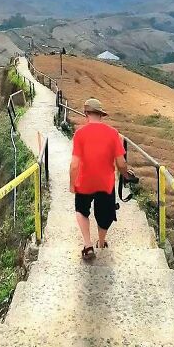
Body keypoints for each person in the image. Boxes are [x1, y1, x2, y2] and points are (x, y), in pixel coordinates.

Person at [69, 97, 132, 261]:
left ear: (86, 113)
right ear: (101, 115)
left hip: (85, 181)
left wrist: (72, 184)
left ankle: (88, 245)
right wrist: (126, 175)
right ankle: (102, 242)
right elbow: (121, 163)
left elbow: (74, 165)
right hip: (105, 182)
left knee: (81, 210)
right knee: (105, 214)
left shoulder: (80, 134)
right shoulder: (113, 133)